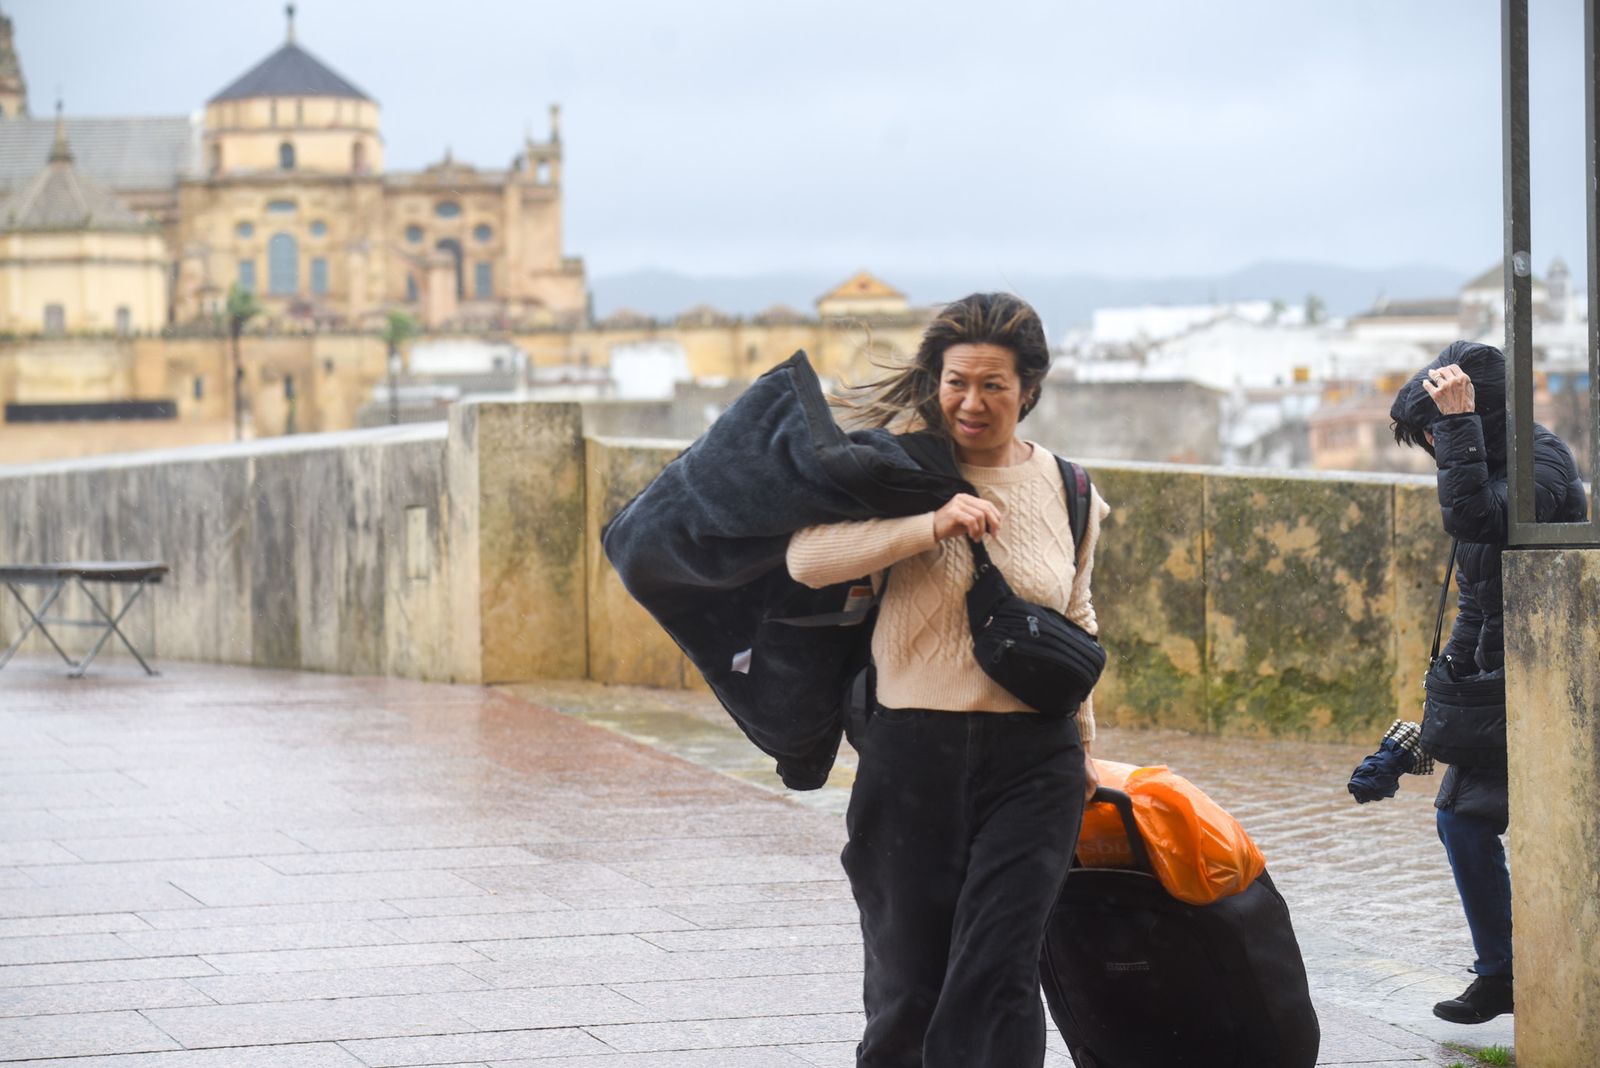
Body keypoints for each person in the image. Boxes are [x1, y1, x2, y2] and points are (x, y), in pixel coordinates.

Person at [785, 292, 1110, 1068]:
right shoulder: (897, 471)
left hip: (1036, 762)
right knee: (907, 982)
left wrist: (1089, 750)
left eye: (993, 384)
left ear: (1028, 390)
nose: (972, 401)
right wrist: (929, 524)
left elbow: (1077, 617)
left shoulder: (1070, 489)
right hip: (911, 756)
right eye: (957, 380)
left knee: (999, 970)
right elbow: (806, 560)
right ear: (936, 381)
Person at [1350, 340, 1588, 1025]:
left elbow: (1476, 517)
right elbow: (1475, 607)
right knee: (1460, 821)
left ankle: (1522, 974)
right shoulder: (1482, 464)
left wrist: (1456, 430)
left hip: (1548, 691)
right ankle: (1503, 973)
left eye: (1434, 431)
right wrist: (1417, 734)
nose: (1430, 446)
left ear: (1473, 417)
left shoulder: (1541, 465)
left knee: (1488, 824)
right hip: (1496, 692)